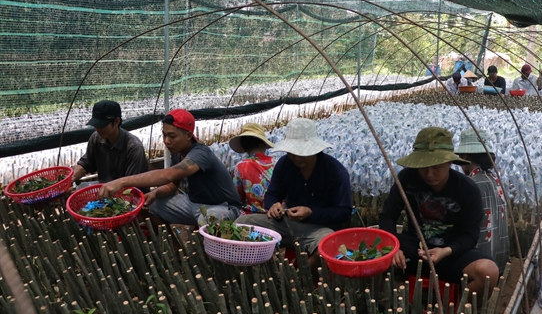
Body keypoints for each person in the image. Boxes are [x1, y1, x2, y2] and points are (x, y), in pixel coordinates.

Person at [378, 127, 499, 296]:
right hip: (414, 249)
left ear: (449, 162)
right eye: (423, 166)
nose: (429, 174)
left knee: (488, 272)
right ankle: (387, 297)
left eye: (436, 167)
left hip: (450, 254)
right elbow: (387, 216)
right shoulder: (407, 178)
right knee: (372, 247)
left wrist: (446, 251)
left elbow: (470, 235)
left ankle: (457, 306)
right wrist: (393, 247)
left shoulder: (467, 189)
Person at [236, 118, 352, 272]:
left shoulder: (336, 172)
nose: (296, 158)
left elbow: (344, 212)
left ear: (315, 150)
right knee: (241, 223)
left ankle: (299, 276)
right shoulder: (284, 164)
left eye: (302, 153)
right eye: (292, 153)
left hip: (321, 229)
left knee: (327, 248)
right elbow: (272, 194)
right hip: (288, 223)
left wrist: (311, 213)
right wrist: (273, 205)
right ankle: (252, 270)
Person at [98, 109, 242, 226]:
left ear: (188, 135)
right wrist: (155, 194)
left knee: (209, 220)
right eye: (164, 135)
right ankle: (176, 247)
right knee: (149, 205)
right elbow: (173, 185)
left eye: (172, 136)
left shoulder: (200, 153)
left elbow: (168, 175)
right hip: (193, 203)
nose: (166, 141)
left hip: (222, 207)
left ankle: (211, 252)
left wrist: (122, 182)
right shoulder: (177, 153)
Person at [455, 128, 509, 273]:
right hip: (500, 259)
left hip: (482, 263)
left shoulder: (472, 183)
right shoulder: (494, 178)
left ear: (465, 156)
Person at [72, 100, 148, 189]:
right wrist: (71, 177)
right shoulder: (96, 138)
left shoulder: (134, 148)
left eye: (102, 125)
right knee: (75, 189)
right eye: (96, 125)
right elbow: (86, 163)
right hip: (106, 187)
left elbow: (131, 186)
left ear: (116, 121)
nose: (98, 129)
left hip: (130, 192)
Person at [229, 123, 276, 214]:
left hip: (252, 216)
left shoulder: (240, 167)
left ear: (244, 147)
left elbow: (238, 198)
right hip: (276, 213)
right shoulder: (275, 162)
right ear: (263, 144)